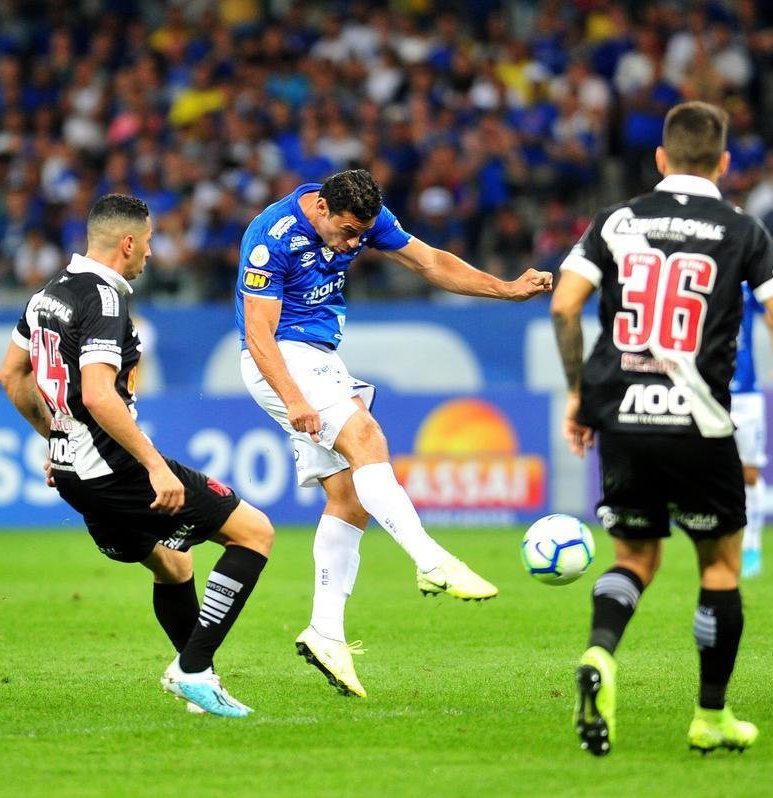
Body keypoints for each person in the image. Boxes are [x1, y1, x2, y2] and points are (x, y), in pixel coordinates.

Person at [550, 101, 773, 756]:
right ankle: (710, 715)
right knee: (721, 567)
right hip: (699, 422)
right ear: (724, 163)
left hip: (623, 417)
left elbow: (564, 306)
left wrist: (578, 393)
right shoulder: (742, 229)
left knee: (633, 559)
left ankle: (600, 652)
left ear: (660, 158)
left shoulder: (616, 220)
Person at [235, 168, 552, 699]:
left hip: (318, 355)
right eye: (347, 233)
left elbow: (430, 261)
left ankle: (325, 633)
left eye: (361, 234)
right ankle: (431, 559)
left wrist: (505, 289)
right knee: (368, 438)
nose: (353, 245)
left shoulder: (365, 218)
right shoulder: (272, 238)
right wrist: (294, 399)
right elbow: (258, 332)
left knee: (348, 497)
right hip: (281, 359)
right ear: (320, 209)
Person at [0, 194, 274, 718]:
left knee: (173, 563)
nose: (150, 253)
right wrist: (155, 465)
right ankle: (193, 669)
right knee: (254, 533)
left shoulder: (47, 294)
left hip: (76, 473)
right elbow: (100, 395)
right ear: (127, 243)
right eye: (148, 242)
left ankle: (200, 681)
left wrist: (57, 438)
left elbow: (11, 374)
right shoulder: (105, 299)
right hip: (113, 468)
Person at [732, 283, 773, 579]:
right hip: (706, 391)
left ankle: (751, 545)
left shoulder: (746, 284)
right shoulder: (698, 270)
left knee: (750, 474)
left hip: (745, 395)